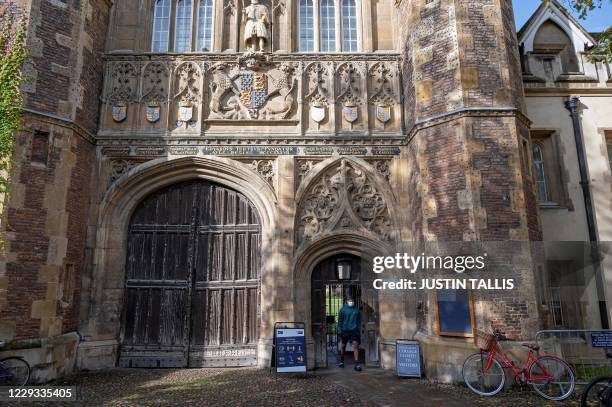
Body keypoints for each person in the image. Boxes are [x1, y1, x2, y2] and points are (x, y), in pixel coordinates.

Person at [337, 296, 362, 371]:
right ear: (347, 301)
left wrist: (358, 328)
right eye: (350, 301)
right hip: (345, 330)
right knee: (343, 346)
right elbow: (340, 321)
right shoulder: (343, 310)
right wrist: (340, 329)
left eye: (352, 301)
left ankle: (357, 364)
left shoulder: (356, 310)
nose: (351, 302)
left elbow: (358, 321)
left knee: (356, 345)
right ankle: (342, 361)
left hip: (354, 330)